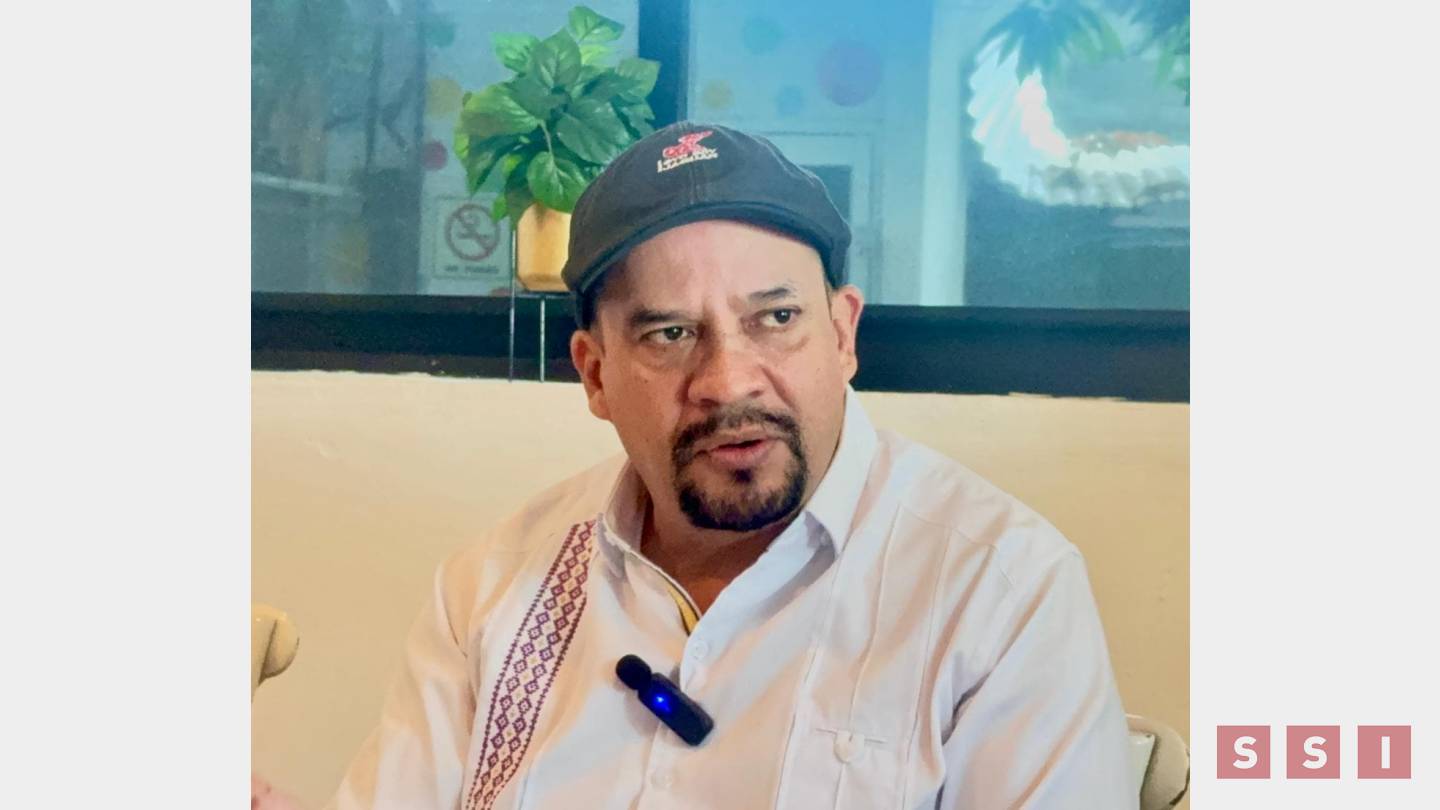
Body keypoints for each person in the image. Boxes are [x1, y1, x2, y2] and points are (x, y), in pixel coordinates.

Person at [328, 122, 1135, 810]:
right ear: (595, 374)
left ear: (842, 334)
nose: (728, 381)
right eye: (670, 334)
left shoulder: (998, 589)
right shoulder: (492, 589)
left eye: (775, 318)